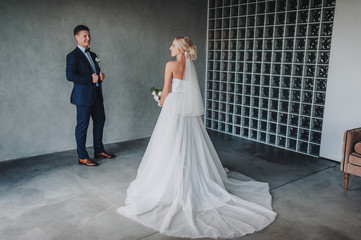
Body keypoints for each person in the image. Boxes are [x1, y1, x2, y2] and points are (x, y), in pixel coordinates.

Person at [117, 36, 276, 238]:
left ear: (181, 49)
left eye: (173, 45)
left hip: (173, 109)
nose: (170, 47)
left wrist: (161, 100)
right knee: (186, 144)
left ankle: (170, 183)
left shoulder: (171, 65)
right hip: (185, 110)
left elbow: (166, 90)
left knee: (168, 144)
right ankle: (188, 177)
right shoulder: (189, 67)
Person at [66, 25, 115, 167]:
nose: (88, 38)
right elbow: (70, 76)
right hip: (83, 98)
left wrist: (100, 76)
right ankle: (82, 156)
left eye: (89, 36)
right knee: (82, 126)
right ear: (77, 37)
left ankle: (99, 150)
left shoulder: (92, 55)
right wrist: (90, 79)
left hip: (96, 96)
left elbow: (95, 73)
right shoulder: (72, 56)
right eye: (85, 36)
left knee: (100, 121)